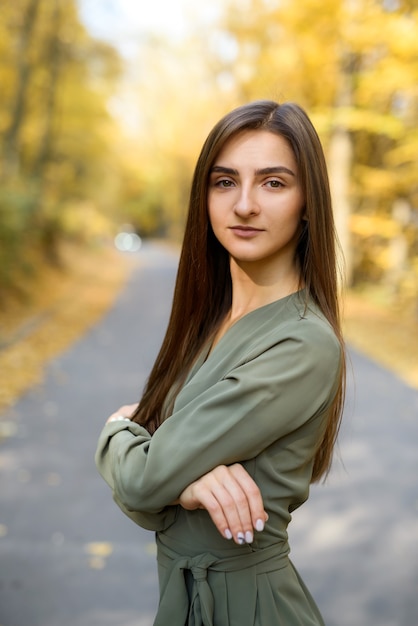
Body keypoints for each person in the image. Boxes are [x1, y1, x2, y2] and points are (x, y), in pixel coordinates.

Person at [95, 100, 346, 625]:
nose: (245, 205)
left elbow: (140, 484)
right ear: (204, 198)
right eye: (225, 181)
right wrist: (182, 487)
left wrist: (117, 429)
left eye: (274, 183)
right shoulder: (206, 321)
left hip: (250, 608)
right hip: (185, 601)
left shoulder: (302, 343)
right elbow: (151, 500)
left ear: (308, 203)